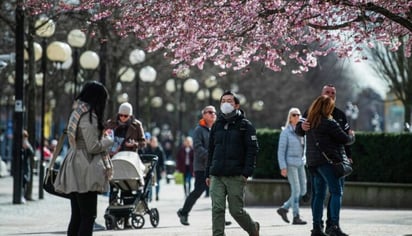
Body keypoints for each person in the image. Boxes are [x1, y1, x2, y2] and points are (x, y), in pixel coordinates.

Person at [54, 81, 114, 236]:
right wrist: (109, 140)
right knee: (88, 216)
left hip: (75, 163)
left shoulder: (78, 112)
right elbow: (93, 146)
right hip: (84, 166)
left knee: (78, 216)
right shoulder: (89, 116)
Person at [296, 84, 352, 233]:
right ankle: (333, 226)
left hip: (316, 161)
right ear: (321, 94)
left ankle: (319, 227)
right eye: (327, 92)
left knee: (319, 194)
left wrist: (349, 156)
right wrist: (302, 128)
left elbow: (343, 137)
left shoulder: (339, 114)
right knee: (336, 192)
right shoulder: (313, 114)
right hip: (330, 161)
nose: (330, 95)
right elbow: (346, 138)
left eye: (333, 93)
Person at [205, 90, 260, 236]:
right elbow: (210, 150)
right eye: (223, 101)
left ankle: (252, 228)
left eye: (229, 101)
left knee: (236, 211)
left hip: (236, 175)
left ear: (236, 105)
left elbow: (252, 150)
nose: (226, 103)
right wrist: (208, 173)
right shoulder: (216, 125)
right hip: (216, 174)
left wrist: (246, 173)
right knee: (217, 208)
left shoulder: (245, 126)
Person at [105, 102, 146, 227]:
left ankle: (127, 219)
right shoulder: (111, 123)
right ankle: (112, 216)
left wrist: (134, 144)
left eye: (126, 116)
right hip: (113, 158)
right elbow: (103, 136)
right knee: (113, 187)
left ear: (130, 116)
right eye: (121, 115)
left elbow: (143, 142)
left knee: (127, 189)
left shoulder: (137, 125)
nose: (122, 118)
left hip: (128, 159)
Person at [177, 105, 217, 226]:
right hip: (202, 167)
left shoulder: (216, 129)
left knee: (217, 192)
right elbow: (198, 148)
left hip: (214, 166)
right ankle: (184, 212)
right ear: (204, 114)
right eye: (209, 112)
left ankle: (219, 218)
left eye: (214, 112)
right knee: (198, 190)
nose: (213, 114)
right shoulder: (199, 130)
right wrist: (211, 157)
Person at [276, 107, 307, 225]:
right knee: (296, 190)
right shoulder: (285, 132)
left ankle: (284, 208)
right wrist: (282, 167)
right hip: (290, 164)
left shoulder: (302, 132)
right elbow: (281, 151)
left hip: (300, 163)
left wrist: (305, 160)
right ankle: (296, 216)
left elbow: (305, 148)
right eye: (294, 115)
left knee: (303, 191)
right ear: (290, 117)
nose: (297, 117)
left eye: (298, 115)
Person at [143, 136, 166, 201]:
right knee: (149, 183)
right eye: (153, 142)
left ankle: (157, 194)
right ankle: (150, 197)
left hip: (157, 169)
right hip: (150, 168)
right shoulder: (147, 149)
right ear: (150, 142)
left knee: (157, 183)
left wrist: (163, 169)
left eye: (155, 142)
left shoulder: (160, 150)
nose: (154, 143)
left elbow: (163, 160)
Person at [22, 130, 34, 203]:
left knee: (25, 181)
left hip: (25, 166)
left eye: (25, 137)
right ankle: (21, 195)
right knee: (22, 181)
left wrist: (27, 147)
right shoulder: (18, 144)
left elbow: (32, 153)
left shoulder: (27, 144)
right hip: (20, 167)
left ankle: (23, 196)